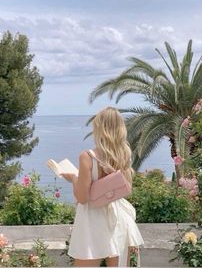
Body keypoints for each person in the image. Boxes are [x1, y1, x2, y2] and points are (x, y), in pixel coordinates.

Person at [62, 107, 144, 267]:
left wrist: (73, 178)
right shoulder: (124, 155)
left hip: (92, 220)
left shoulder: (87, 157)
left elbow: (83, 198)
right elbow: (126, 188)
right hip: (118, 217)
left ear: (99, 128)